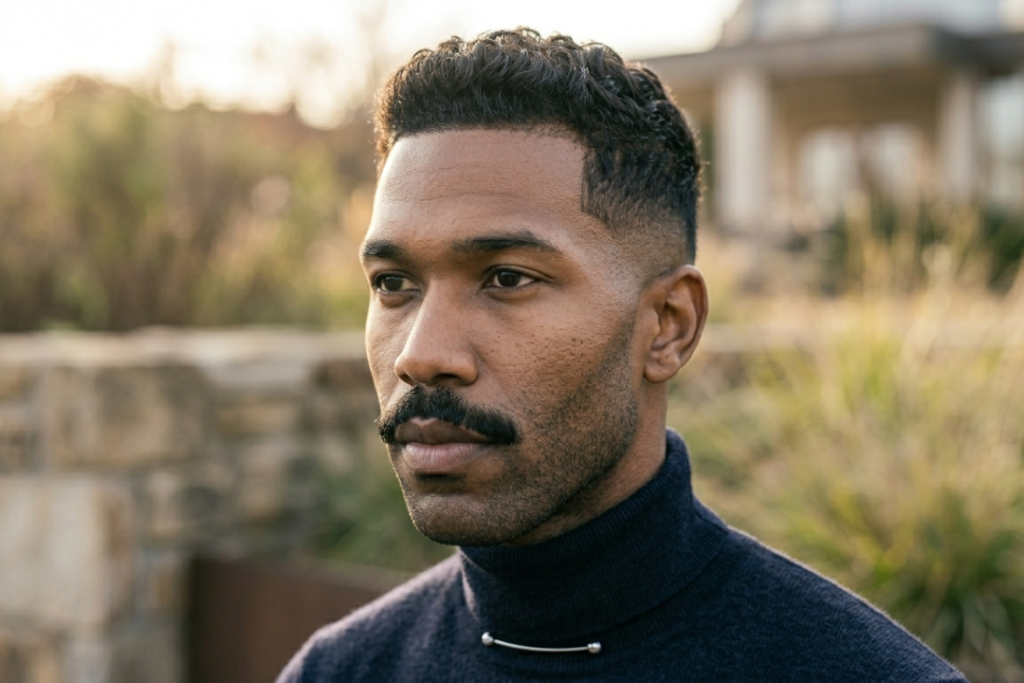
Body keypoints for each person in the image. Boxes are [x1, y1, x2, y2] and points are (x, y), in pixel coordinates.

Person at [279, 28, 966, 682]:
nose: (422, 356)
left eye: (507, 278)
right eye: (394, 284)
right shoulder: (340, 669)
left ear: (668, 325)